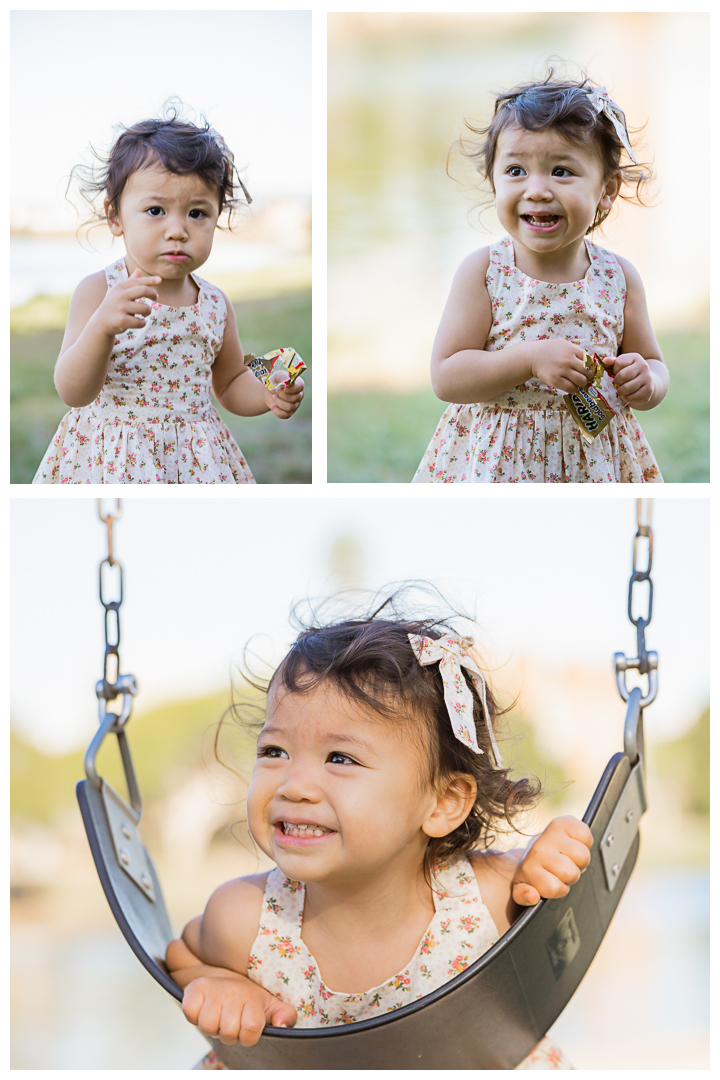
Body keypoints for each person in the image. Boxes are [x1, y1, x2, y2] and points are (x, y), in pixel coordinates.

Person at [166, 602, 594, 1069]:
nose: (293, 785)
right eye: (274, 750)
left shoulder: (486, 898)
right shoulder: (246, 921)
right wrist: (218, 982)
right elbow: (181, 954)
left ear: (444, 802)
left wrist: (550, 854)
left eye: (340, 758)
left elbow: (543, 865)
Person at [413, 72, 667, 483]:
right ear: (492, 181)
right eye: (515, 170)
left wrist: (648, 380)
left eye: (562, 171)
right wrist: (529, 358)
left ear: (607, 189)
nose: (537, 190)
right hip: (500, 461)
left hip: (595, 460)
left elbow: (653, 363)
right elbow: (447, 376)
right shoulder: (485, 272)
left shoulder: (618, 278)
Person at [32, 107, 305, 484]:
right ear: (115, 217)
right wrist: (101, 328)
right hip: (113, 455)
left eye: (197, 213)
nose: (177, 229)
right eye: (156, 210)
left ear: (217, 216)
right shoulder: (99, 291)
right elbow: (72, 391)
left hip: (196, 461)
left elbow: (228, 384)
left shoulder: (214, 304)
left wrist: (268, 394)